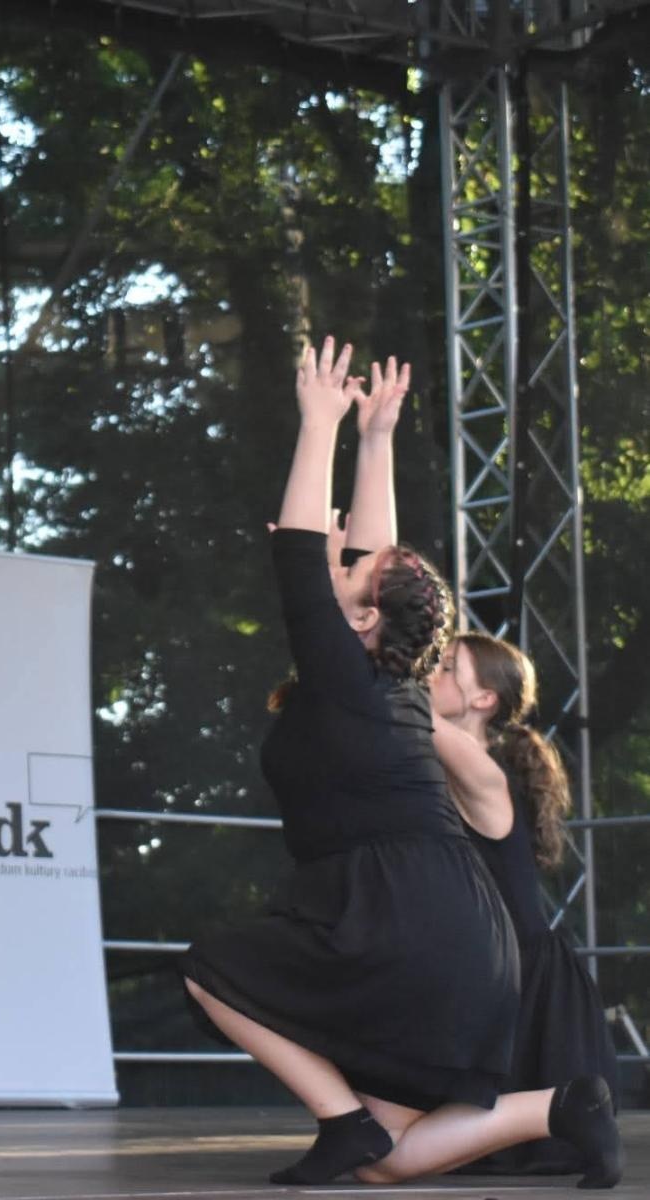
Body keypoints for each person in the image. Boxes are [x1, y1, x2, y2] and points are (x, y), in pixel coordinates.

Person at [177, 341, 622, 1188]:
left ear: (365, 618)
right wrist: (373, 441)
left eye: (357, 572)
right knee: (388, 1165)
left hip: (398, 920)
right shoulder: (394, 681)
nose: (345, 557)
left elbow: (298, 558)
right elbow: (354, 560)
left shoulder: (355, 675)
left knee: (210, 968)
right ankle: (560, 1107)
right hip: (448, 925)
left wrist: (319, 424)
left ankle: (338, 1118)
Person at [431, 631, 620, 1174]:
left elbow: (400, 708)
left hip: (522, 981)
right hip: (487, 967)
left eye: (445, 669)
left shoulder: (485, 770)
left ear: (483, 699)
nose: (430, 676)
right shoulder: (446, 762)